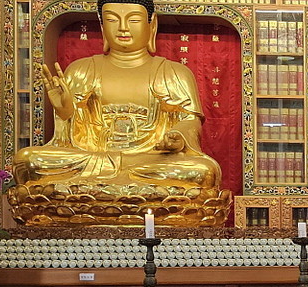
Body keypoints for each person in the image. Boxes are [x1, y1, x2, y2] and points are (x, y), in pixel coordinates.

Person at [13, 0, 221, 191]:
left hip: (150, 160)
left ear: (152, 24)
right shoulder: (81, 70)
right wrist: (65, 111)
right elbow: (66, 140)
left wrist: (178, 137)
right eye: (112, 20)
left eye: (134, 19)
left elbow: (190, 121)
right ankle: (124, 188)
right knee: (27, 161)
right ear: (103, 27)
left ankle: (98, 190)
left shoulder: (173, 72)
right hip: (93, 159)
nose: (122, 27)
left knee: (202, 171)